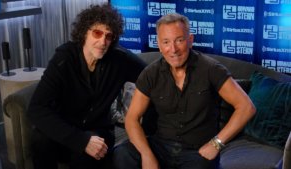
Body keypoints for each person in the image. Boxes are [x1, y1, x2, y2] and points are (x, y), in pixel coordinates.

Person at [113, 13, 256, 169]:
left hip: (197, 151)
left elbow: (246, 107)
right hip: (161, 146)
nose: (173, 49)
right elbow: (132, 119)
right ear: (159, 45)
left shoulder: (211, 69)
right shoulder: (150, 74)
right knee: (123, 153)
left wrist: (216, 144)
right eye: (166, 42)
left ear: (190, 40)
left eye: (179, 40)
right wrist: (147, 155)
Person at [27, 3, 146, 169]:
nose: (103, 41)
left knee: (88, 155)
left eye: (108, 36)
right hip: (64, 129)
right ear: (84, 33)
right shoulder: (64, 59)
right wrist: (80, 140)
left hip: (98, 131)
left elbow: (149, 74)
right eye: (97, 33)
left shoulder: (119, 59)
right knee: (39, 139)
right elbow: (36, 108)